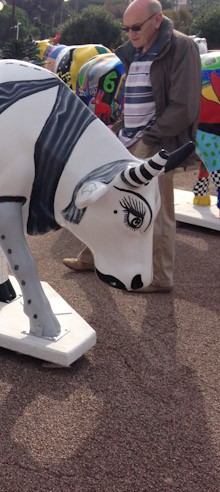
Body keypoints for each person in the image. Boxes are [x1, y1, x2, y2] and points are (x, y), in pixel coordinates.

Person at [62, 0, 201, 293]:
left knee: (159, 209)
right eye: (126, 28)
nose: (130, 33)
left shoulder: (181, 46)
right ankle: (93, 256)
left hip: (156, 141)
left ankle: (161, 276)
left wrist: (148, 138)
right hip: (131, 136)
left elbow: (184, 106)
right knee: (103, 198)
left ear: (157, 20)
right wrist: (118, 129)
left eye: (136, 27)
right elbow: (137, 98)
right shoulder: (138, 49)